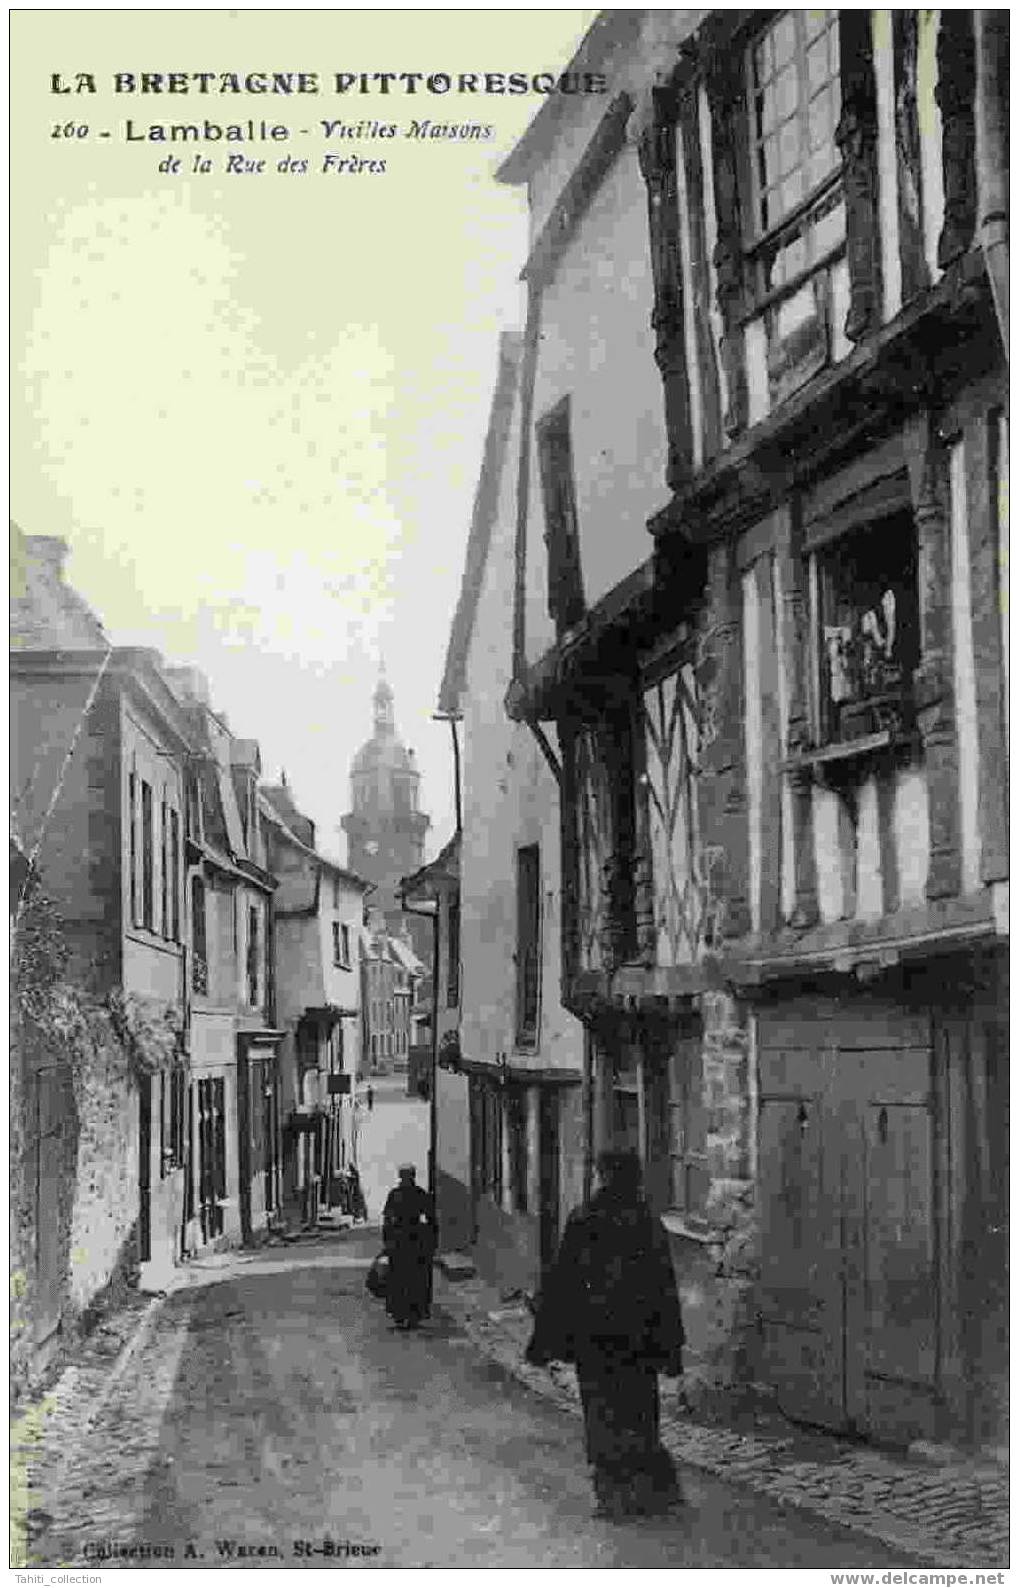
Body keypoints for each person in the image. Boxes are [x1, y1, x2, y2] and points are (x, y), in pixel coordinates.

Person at [525, 1149, 685, 1520]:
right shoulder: (646, 1221)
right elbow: (665, 1287)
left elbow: (563, 1281)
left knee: (602, 1412)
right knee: (640, 1411)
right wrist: (671, 1347)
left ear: (601, 1175)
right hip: (639, 1338)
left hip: (595, 1339)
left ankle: (614, 1495)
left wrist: (545, 1340)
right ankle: (649, 1492)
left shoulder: (585, 1219)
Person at [381, 1164, 436, 1330]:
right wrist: (431, 1240)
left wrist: (387, 1240)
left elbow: (387, 1220)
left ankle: (400, 1313)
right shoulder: (420, 1194)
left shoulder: (395, 1194)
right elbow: (431, 1218)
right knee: (416, 1278)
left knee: (399, 1278)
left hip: (399, 1240)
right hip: (415, 1240)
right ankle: (414, 1313)